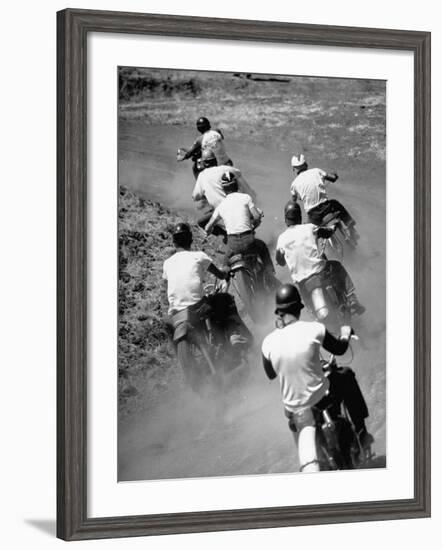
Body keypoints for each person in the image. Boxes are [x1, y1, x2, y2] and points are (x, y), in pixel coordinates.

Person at [261, 283, 373, 472]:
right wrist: (345, 333)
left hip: (294, 412)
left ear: (278, 313)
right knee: (345, 375)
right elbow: (340, 349)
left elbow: (270, 373)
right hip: (321, 401)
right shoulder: (314, 329)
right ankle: (362, 433)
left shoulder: (268, 342)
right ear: (299, 308)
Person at [275, 201, 365, 315]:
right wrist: (333, 227)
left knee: (307, 304)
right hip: (320, 272)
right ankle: (352, 298)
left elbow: (280, 261)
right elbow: (327, 233)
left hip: (302, 282)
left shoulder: (281, 239)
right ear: (299, 216)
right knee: (337, 266)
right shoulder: (309, 228)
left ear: (286, 219)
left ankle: (314, 314)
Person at [204, 172, 277, 286]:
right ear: (237, 185)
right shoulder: (246, 198)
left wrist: (208, 232)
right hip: (249, 241)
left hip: (233, 246)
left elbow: (208, 226)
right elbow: (257, 216)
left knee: (225, 265)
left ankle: (224, 285)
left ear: (224, 189)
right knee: (262, 247)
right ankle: (270, 274)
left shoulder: (221, 206)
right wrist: (254, 225)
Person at [162, 222, 228, 315]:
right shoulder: (199, 256)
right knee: (226, 299)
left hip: (175, 313)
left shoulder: (167, 263)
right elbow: (220, 275)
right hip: (198, 307)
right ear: (191, 240)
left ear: (174, 243)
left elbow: (166, 287)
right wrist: (226, 270)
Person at [290, 154, 358, 240]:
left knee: (309, 235)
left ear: (293, 169)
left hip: (313, 216)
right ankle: (351, 228)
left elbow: (293, 204)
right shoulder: (316, 171)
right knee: (335, 203)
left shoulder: (294, 184)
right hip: (327, 208)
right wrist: (335, 175)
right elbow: (332, 178)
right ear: (306, 165)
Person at [192, 151, 257, 237]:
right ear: (215, 160)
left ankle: (224, 235)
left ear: (204, 164)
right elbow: (238, 172)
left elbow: (195, 197)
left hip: (220, 210)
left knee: (201, 223)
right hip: (238, 205)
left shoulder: (202, 176)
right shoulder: (226, 169)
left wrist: (206, 193)